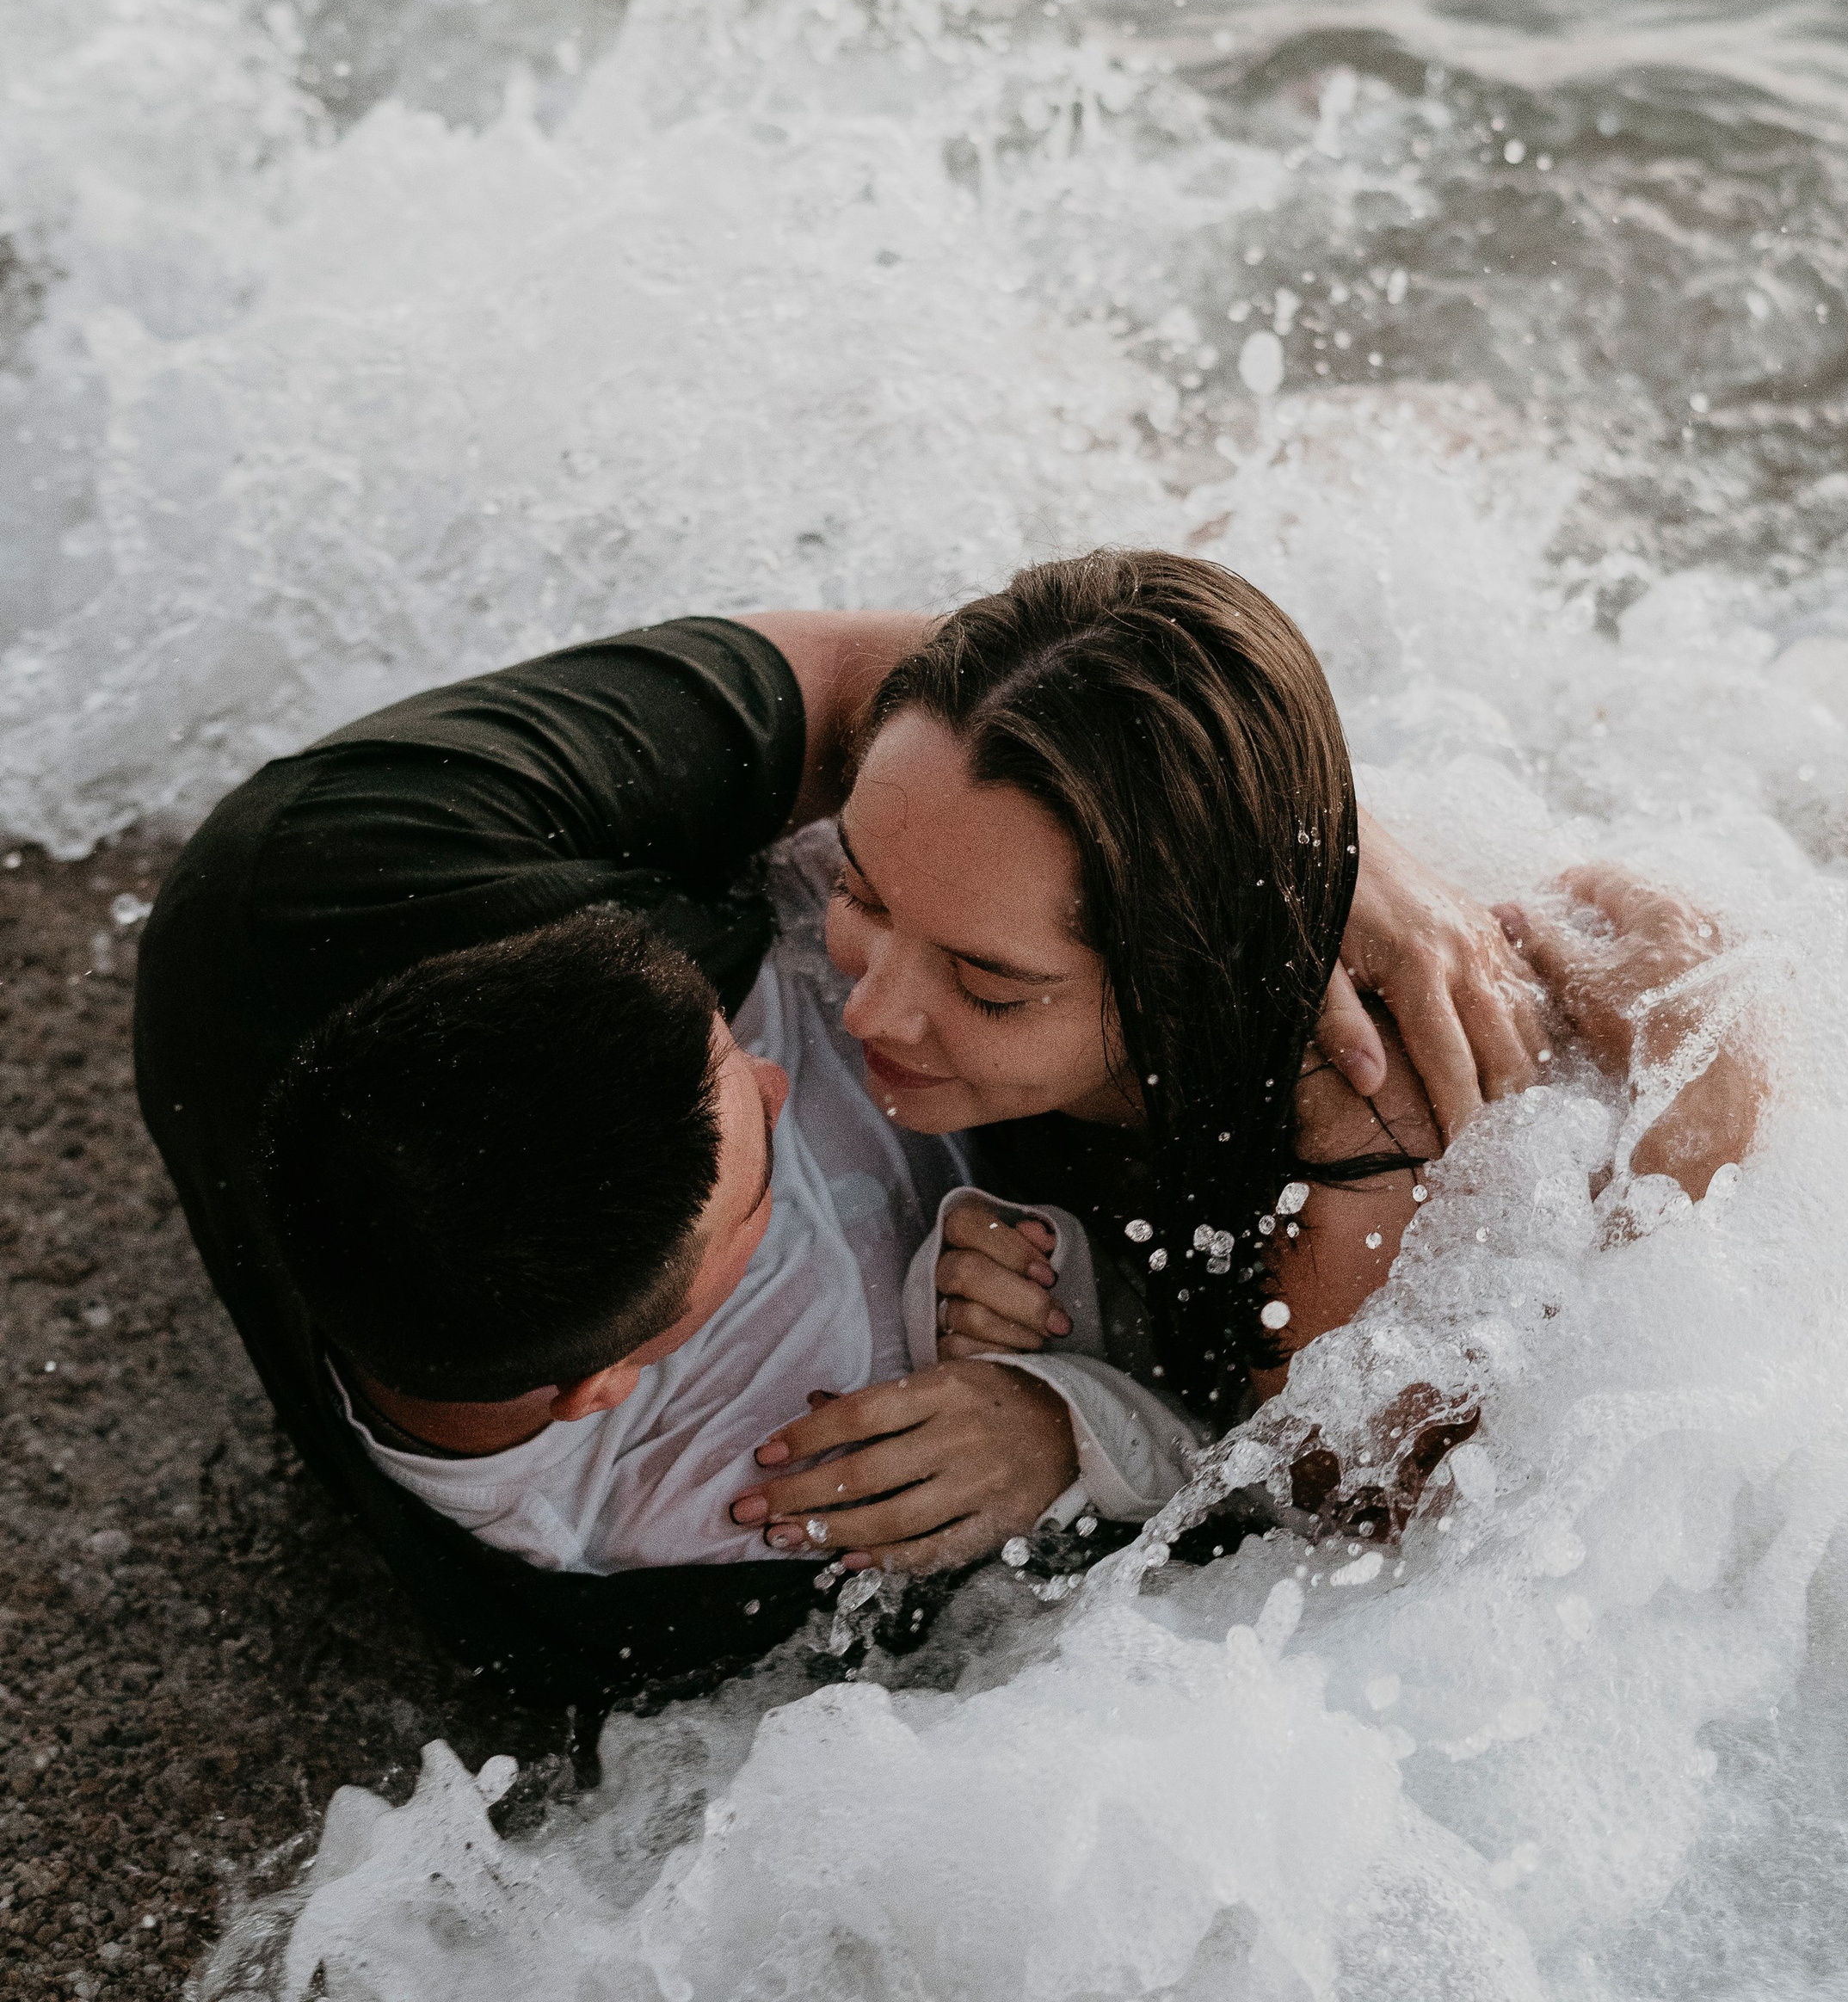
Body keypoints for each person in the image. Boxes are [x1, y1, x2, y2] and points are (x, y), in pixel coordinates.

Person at [135, 604, 1542, 1706]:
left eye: (713, 1015)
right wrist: (1067, 1408)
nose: (843, 1024)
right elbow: (1322, 1534)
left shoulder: (330, 881)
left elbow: (925, 678)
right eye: (755, 1152)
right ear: (608, 1380)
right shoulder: (730, 1532)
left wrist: (1314, 843)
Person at [730, 553, 1762, 1572]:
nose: (870, 1007)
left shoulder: (1357, 1168)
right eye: (862, 893)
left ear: (1186, 981)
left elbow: (1371, 1560)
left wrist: (1082, 1429)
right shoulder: (962, 824)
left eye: (990, 985)